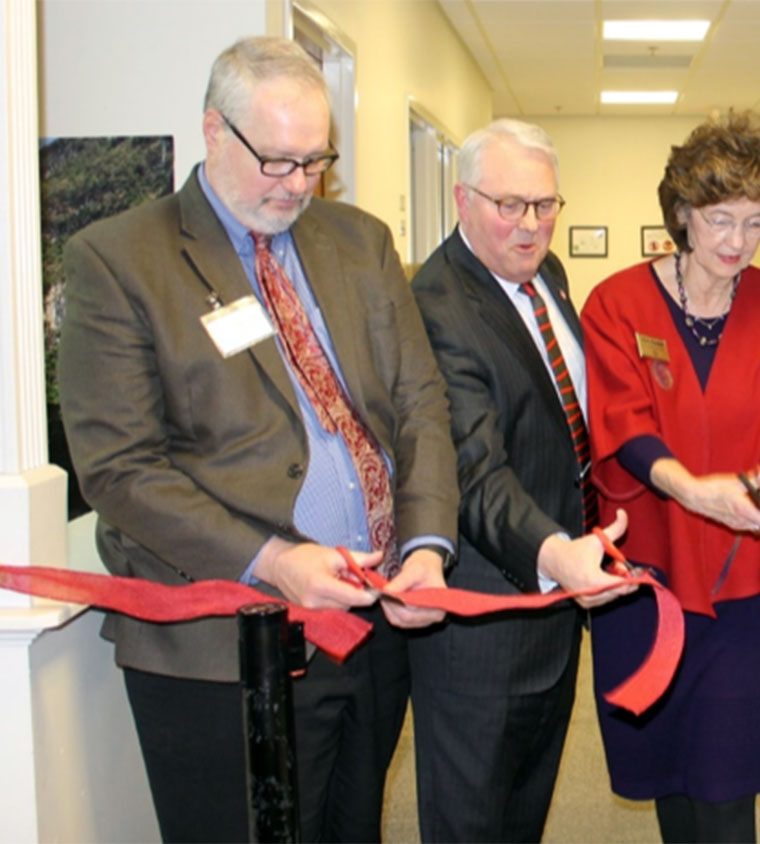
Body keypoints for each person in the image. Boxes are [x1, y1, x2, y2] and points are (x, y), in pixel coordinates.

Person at [57, 37, 458, 842]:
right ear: (213, 129)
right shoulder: (119, 259)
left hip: (367, 628)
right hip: (221, 647)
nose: (299, 185)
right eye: (277, 161)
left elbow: (419, 403)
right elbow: (120, 471)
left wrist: (425, 545)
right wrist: (275, 561)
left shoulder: (359, 242)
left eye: (316, 161)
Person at [581, 112, 760, 843]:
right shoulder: (618, 304)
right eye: (719, 219)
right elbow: (624, 421)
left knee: (727, 785)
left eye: (756, 223)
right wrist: (692, 489)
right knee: (670, 773)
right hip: (651, 574)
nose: (735, 241)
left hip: (751, 580)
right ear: (682, 214)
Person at [407, 118, 635, 842]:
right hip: (484, 619)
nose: (531, 227)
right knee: (471, 819)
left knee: (526, 809)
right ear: (461, 199)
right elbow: (474, 467)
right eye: (509, 205)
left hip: (552, 610)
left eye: (545, 206)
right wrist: (555, 552)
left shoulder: (547, 276)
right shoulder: (437, 305)